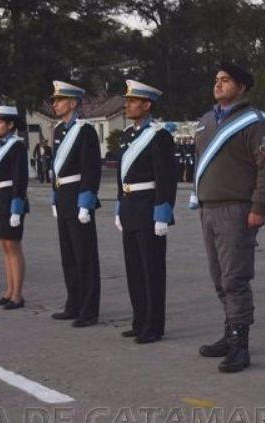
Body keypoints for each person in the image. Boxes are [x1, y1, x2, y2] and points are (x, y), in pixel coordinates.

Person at [192, 62, 265, 373]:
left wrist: (260, 206)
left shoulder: (255, 123)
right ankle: (229, 333)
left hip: (237, 209)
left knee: (235, 278)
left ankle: (241, 345)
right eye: (216, 79)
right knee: (219, 277)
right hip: (209, 209)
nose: (218, 84)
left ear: (242, 87)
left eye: (226, 80)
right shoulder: (205, 121)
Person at [115, 80, 178, 344]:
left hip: (149, 207)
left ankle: (153, 325)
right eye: (127, 100)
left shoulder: (159, 135)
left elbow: (166, 176)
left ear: (147, 104)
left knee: (151, 269)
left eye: (132, 101)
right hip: (130, 206)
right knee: (134, 268)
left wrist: (163, 212)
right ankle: (139, 319)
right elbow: (122, 175)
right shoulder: (128, 135)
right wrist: (119, 205)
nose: (127, 105)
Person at [49, 80, 102, 327]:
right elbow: (56, 168)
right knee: (68, 255)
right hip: (64, 197)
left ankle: (89, 309)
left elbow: (91, 169)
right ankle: (74, 303)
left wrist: (86, 202)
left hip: (78, 197)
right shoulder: (59, 130)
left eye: (59, 100)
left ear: (72, 103)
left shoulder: (85, 130)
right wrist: (54, 196)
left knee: (85, 256)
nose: (55, 104)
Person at [0, 106, 29, 310]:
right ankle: (9, 291)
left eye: (0, 122)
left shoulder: (17, 146)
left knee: (13, 247)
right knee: (4, 247)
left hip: (11, 198)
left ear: (11, 125)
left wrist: (16, 208)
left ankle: (18, 295)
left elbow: (20, 178)